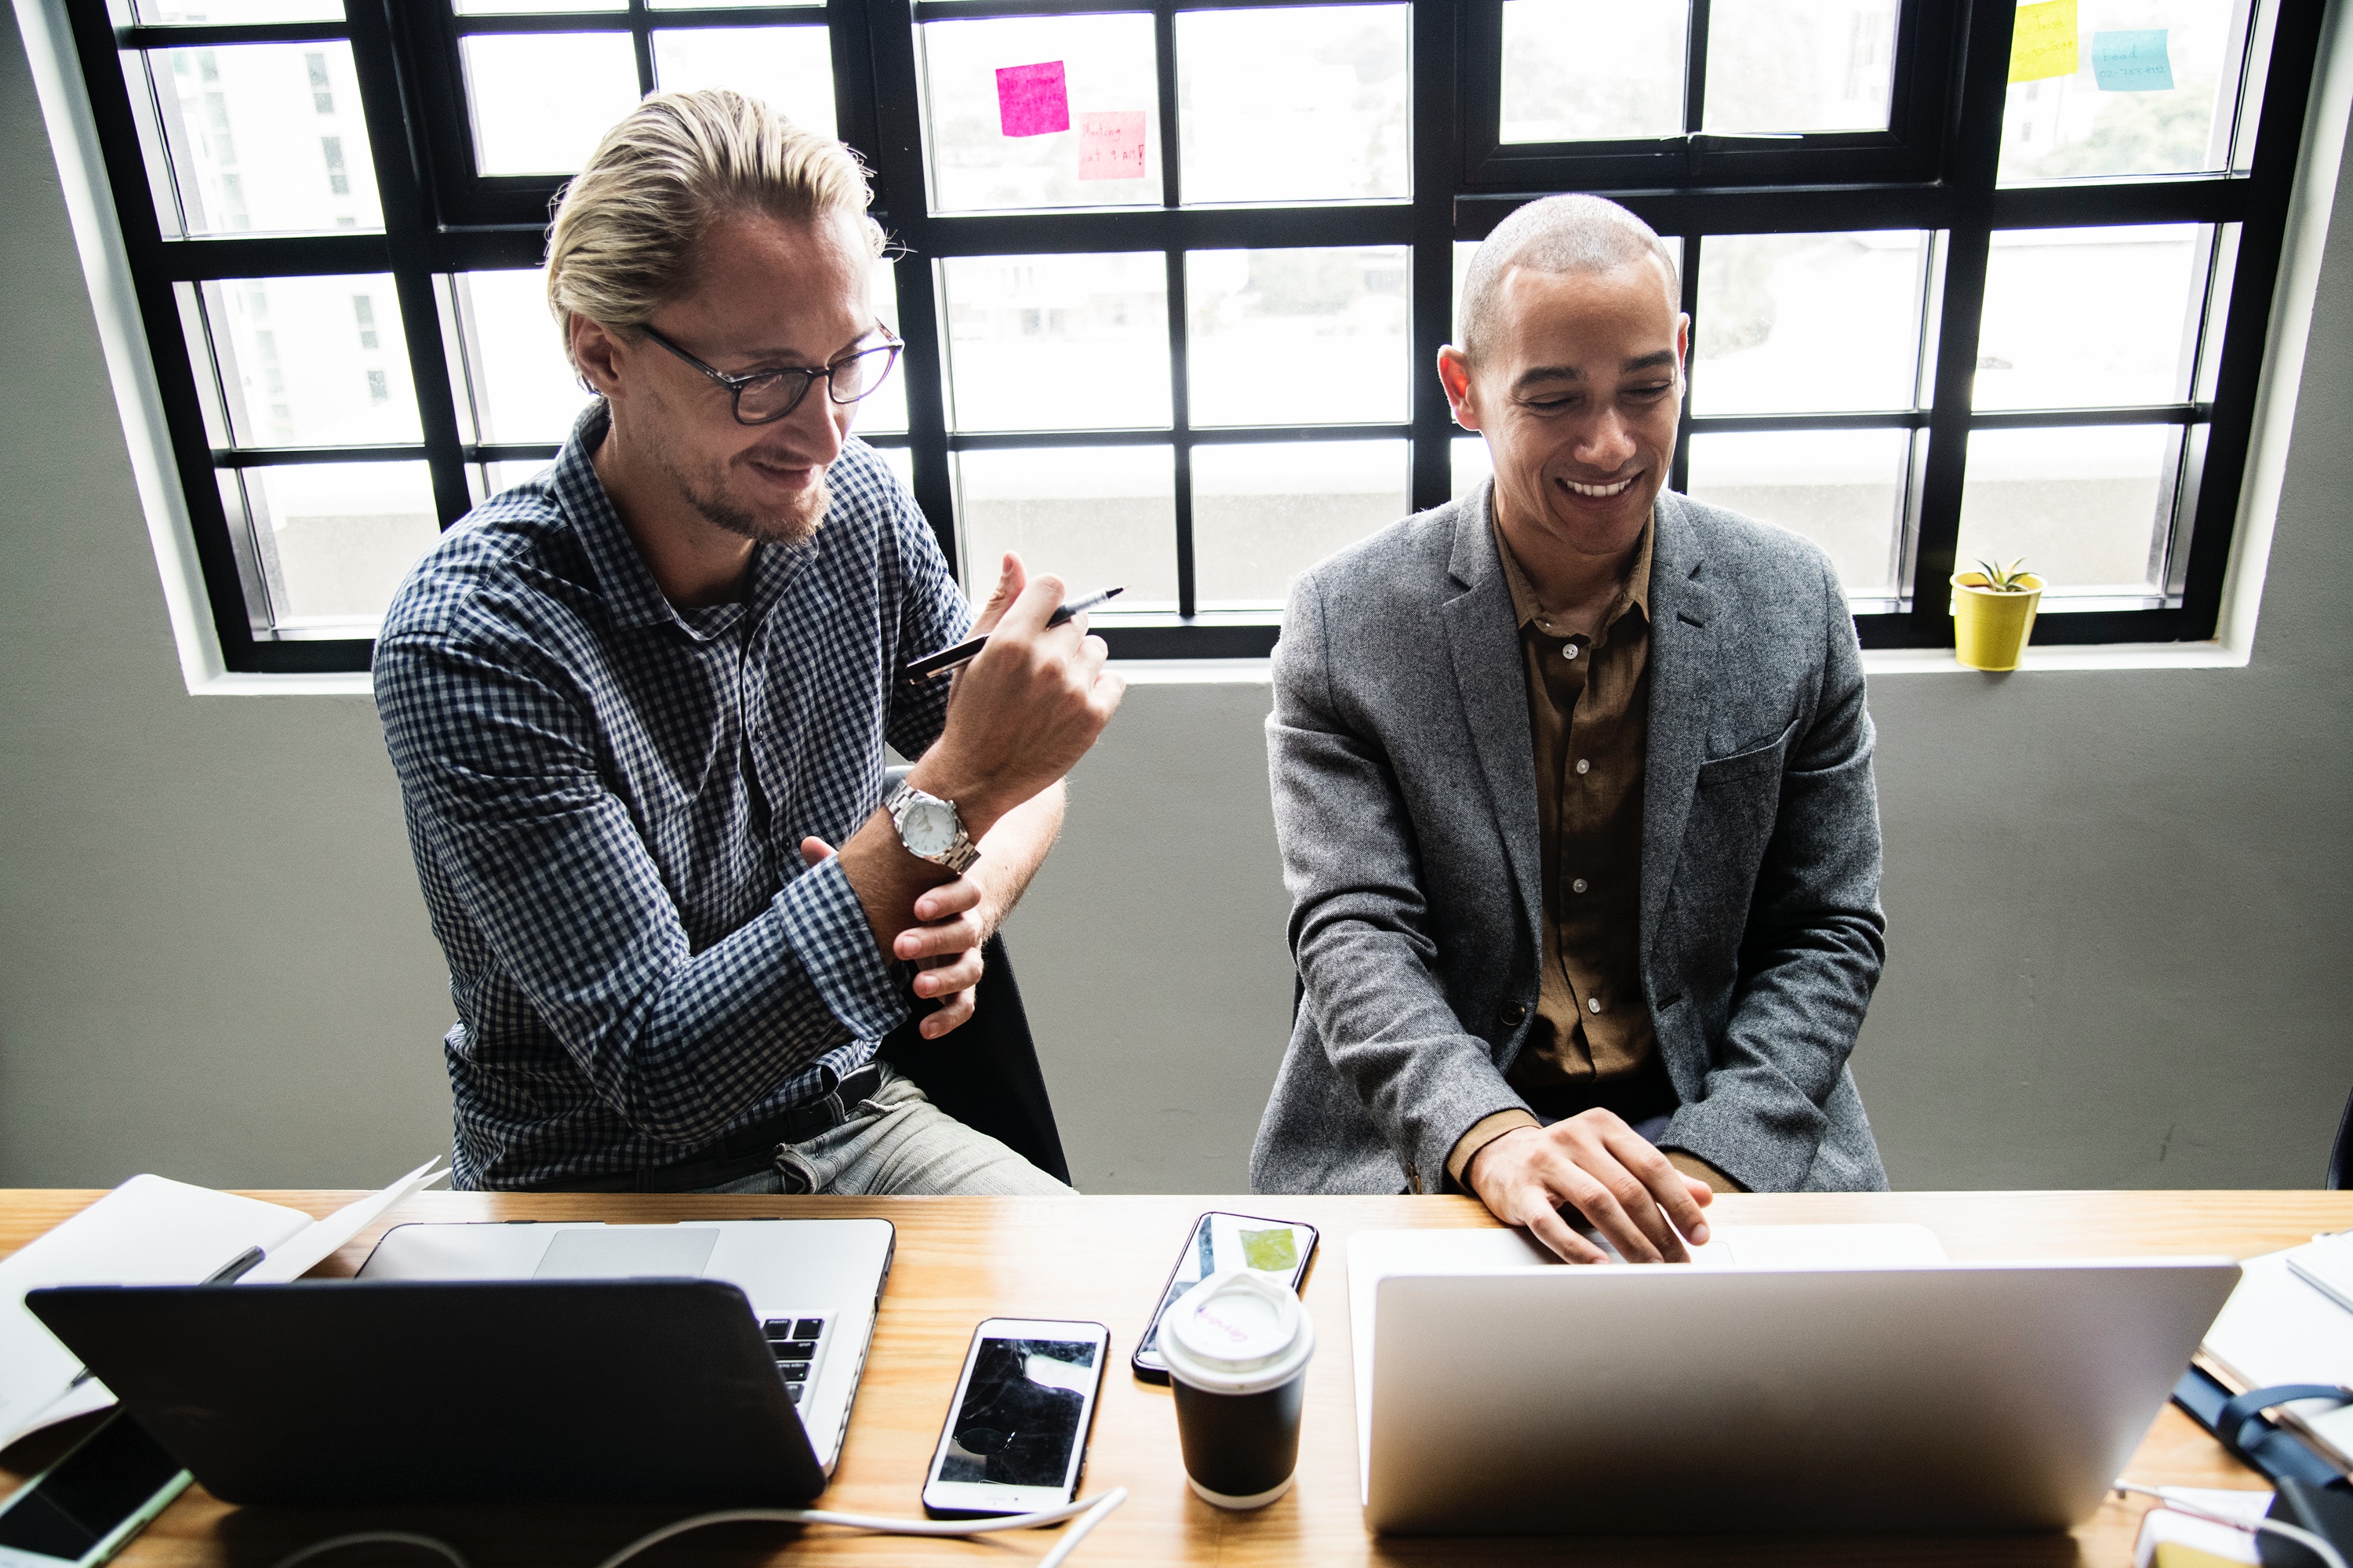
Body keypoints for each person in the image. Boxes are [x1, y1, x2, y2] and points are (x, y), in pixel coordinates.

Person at [373, 89, 1123, 1193]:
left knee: (1101, 1312)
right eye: (763, 379)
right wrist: (955, 797)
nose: (823, 432)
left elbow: (1008, 776)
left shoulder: (853, 505)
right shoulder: (475, 644)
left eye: (849, 362)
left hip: (855, 1115)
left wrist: (974, 891)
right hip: (595, 1183)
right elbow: (664, 1071)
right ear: (603, 354)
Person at [1251, 194, 1888, 1261]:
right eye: (1555, 400)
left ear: (1683, 355)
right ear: (1465, 390)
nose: (1613, 443)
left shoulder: (1793, 599)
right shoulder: (1344, 621)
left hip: (1719, 1122)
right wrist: (1491, 1137)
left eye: (1648, 388)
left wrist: (1700, 1169)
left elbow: (1828, 928)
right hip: (1449, 1133)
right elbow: (1354, 933)